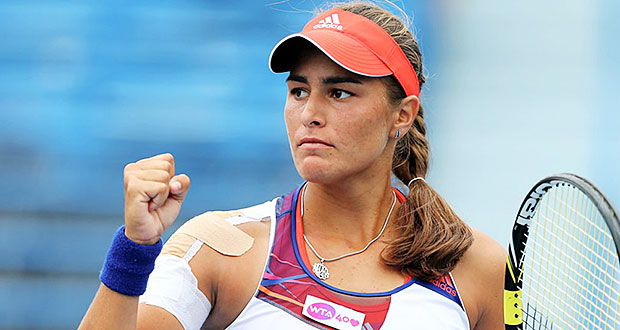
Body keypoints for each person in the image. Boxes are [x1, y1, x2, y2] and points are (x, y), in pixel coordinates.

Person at [79, 1, 505, 329]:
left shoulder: (478, 268)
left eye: (340, 93)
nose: (310, 114)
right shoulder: (218, 250)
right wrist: (134, 249)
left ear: (403, 114)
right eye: (299, 91)